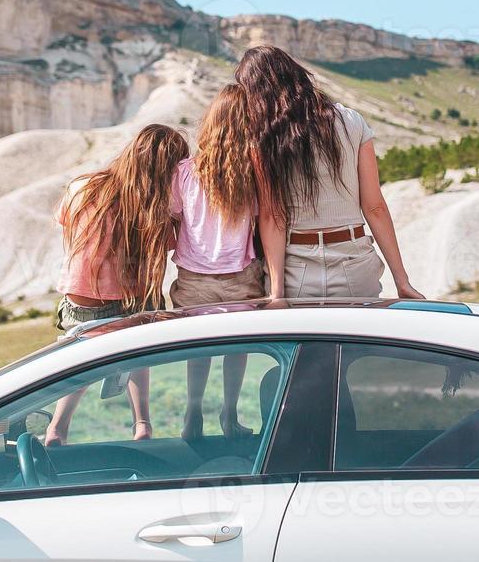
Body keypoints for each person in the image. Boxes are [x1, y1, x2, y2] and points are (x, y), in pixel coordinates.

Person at [234, 45, 423, 301]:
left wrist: (277, 293)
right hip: (354, 261)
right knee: (359, 341)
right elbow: (374, 206)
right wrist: (402, 281)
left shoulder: (263, 138)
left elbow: (272, 217)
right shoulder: (352, 121)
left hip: (296, 268)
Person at [44, 124, 189, 447]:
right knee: (137, 360)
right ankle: (142, 423)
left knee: (76, 365)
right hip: (136, 299)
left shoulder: (83, 188)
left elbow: (66, 223)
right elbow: (167, 245)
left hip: (84, 299)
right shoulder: (155, 208)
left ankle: (57, 428)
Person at [169, 83, 267, 440]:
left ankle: (192, 411)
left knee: (200, 350)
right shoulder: (252, 172)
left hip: (194, 275)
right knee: (235, 350)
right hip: (240, 273)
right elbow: (261, 219)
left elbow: (174, 214)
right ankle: (229, 413)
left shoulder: (185, 171)